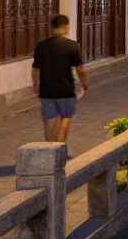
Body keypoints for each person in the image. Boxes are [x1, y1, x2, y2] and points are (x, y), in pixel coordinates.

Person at [32, 14, 89, 143]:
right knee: (66, 117)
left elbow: (35, 69)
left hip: (46, 90)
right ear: (67, 27)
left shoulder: (42, 45)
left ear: (52, 28)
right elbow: (80, 70)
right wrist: (85, 85)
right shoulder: (72, 46)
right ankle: (59, 148)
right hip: (66, 90)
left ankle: (49, 151)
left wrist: (35, 88)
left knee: (50, 120)